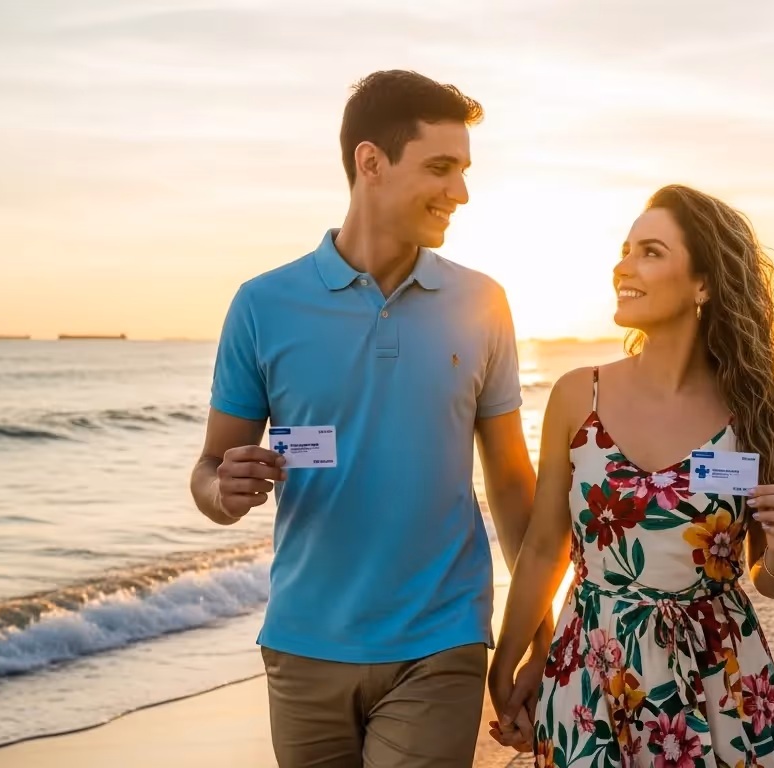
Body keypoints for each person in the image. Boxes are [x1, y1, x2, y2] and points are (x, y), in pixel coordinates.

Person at [190, 70, 551, 768]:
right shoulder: (263, 305)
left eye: (465, 170)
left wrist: (539, 631)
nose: (462, 192)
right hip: (302, 645)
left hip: (440, 641)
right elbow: (211, 472)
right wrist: (222, 489)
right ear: (370, 162)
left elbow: (510, 484)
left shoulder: (482, 303)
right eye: (441, 168)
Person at [486, 186, 774, 767]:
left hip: (722, 681)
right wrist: (509, 662)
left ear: (704, 283)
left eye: (650, 251)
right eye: (625, 249)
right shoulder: (576, 395)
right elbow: (543, 548)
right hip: (592, 673)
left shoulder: (757, 410)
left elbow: (768, 574)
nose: (623, 265)